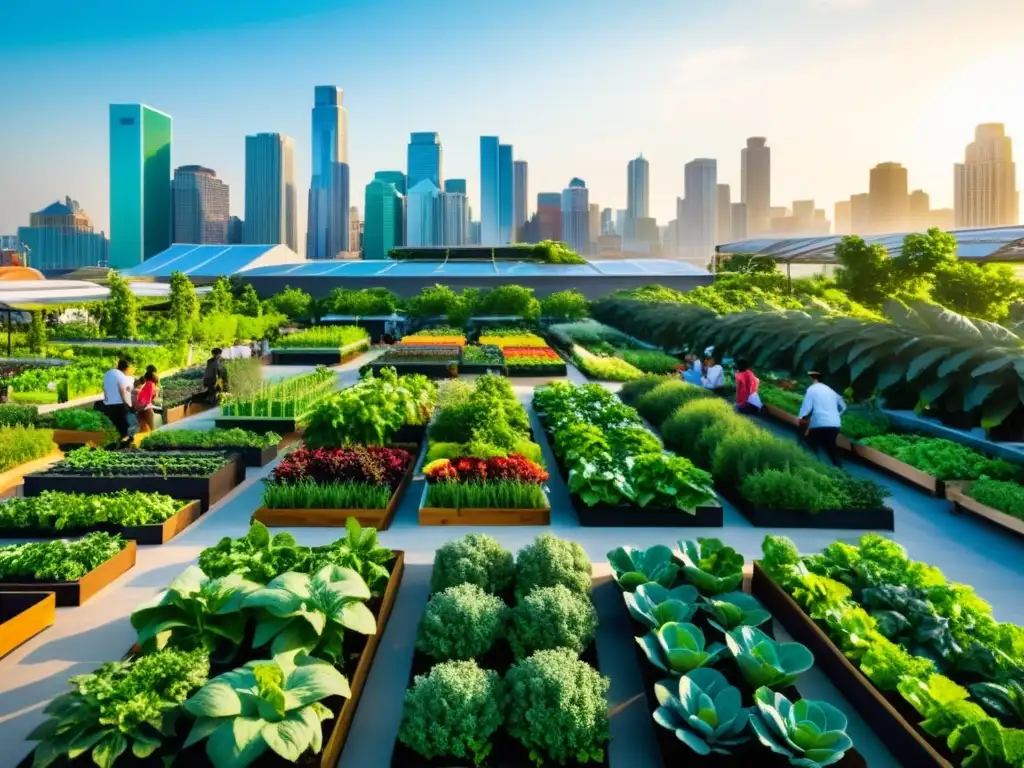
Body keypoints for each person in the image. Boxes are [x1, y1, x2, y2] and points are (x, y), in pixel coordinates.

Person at [798, 371, 847, 467]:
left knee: (809, 443)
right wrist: (837, 415)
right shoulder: (830, 390)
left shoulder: (812, 389)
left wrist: (801, 419)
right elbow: (844, 406)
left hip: (820, 423)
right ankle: (840, 470)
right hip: (835, 424)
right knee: (831, 448)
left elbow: (806, 408)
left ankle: (811, 466)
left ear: (813, 379)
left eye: (809, 378)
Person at [102, 358, 134, 442]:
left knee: (115, 424)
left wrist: (106, 401)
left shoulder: (107, 373)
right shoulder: (121, 375)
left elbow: (105, 389)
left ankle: (118, 442)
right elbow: (122, 390)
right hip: (119, 404)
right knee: (125, 425)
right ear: (127, 368)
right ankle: (125, 441)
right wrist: (127, 403)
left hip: (108, 404)